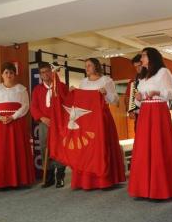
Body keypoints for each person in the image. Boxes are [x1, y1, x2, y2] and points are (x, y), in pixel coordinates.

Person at [128, 47, 172, 199]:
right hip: (145, 112)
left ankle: (162, 188)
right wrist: (138, 98)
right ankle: (144, 188)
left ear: (152, 57)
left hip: (158, 111)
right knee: (144, 149)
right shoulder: (142, 76)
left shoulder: (163, 72)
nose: (141, 59)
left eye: (143, 56)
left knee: (160, 147)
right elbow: (139, 102)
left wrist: (158, 92)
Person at [71, 58, 126, 190]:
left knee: (103, 147)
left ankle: (105, 179)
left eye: (89, 65)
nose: (87, 68)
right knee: (87, 149)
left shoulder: (106, 80)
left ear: (96, 66)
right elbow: (81, 101)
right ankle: (87, 181)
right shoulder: (83, 82)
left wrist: (106, 93)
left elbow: (115, 100)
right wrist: (74, 92)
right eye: (86, 66)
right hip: (87, 119)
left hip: (102, 117)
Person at [0, 62, 35, 189]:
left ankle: (19, 181)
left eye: (11, 73)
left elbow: (26, 105)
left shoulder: (22, 89)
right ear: (2, 74)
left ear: (15, 74)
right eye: (6, 72)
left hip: (16, 123)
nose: (9, 75)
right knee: (1, 151)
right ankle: (1, 182)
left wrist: (13, 117)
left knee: (17, 149)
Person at [30, 62, 68, 188]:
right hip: (44, 123)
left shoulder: (61, 86)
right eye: (42, 72)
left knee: (60, 148)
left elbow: (67, 102)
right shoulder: (37, 90)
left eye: (47, 71)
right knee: (45, 147)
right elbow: (33, 107)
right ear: (40, 75)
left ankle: (60, 176)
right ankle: (49, 176)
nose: (45, 74)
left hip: (59, 123)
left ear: (51, 72)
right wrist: (42, 118)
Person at [124, 54, 142, 131]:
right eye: (136, 67)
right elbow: (127, 97)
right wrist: (130, 111)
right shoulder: (133, 82)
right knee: (139, 135)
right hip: (139, 114)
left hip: (153, 112)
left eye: (139, 66)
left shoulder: (152, 78)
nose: (137, 69)